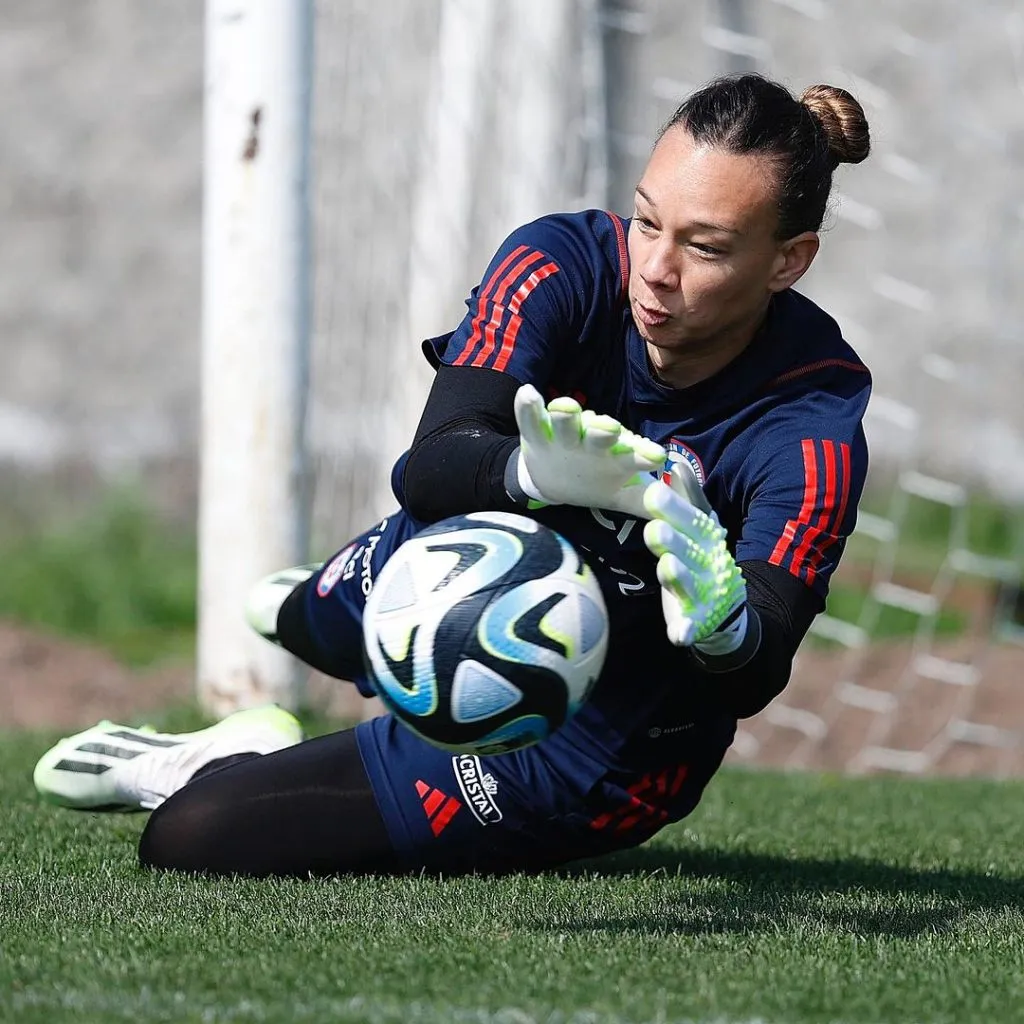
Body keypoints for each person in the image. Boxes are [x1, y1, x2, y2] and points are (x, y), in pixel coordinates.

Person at [34, 74, 873, 877]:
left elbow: (761, 668)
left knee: (191, 834)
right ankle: (326, 613)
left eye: (706, 246)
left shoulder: (813, 422)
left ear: (788, 261)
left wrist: (726, 631)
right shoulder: (563, 263)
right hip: (464, 550)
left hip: (592, 744)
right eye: (648, 221)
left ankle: (236, 758)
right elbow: (432, 468)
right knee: (295, 618)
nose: (655, 267)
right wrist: (532, 472)